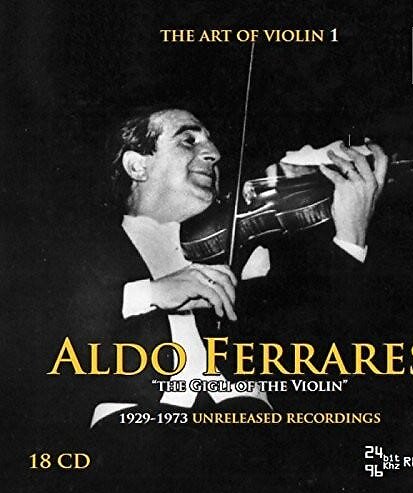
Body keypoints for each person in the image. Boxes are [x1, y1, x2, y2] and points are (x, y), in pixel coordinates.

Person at [51, 106, 387, 429]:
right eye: (188, 140)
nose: (214, 153)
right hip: (135, 438)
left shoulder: (248, 254)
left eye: (210, 142)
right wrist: (151, 293)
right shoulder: (81, 250)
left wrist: (351, 236)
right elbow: (50, 336)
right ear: (138, 166)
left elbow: (329, 357)